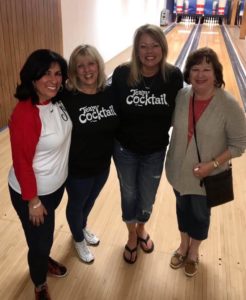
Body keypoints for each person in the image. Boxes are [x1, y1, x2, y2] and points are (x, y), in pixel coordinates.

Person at [165, 47, 246, 277]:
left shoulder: (228, 104)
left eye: (206, 69)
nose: (200, 74)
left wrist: (213, 164)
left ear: (216, 73)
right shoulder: (182, 96)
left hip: (206, 177)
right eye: (195, 69)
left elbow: (239, 144)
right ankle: (182, 245)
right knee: (182, 209)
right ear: (188, 73)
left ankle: (193, 252)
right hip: (178, 170)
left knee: (200, 215)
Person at [111, 24, 183, 264]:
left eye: (154, 45)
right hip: (125, 149)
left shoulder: (173, 77)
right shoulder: (122, 74)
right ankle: (132, 235)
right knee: (129, 193)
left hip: (155, 150)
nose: (149, 51)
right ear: (136, 49)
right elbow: (107, 106)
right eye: (143, 46)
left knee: (147, 197)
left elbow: (181, 111)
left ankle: (142, 227)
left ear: (162, 47)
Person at [8, 49, 72, 299]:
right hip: (33, 195)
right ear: (32, 77)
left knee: (41, 237)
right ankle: (39, 283)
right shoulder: (26, 113)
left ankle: (42, 258)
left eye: (58, 74)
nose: (54, 79)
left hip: (53, 188)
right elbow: (22, 163)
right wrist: (33, 201)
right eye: (46, 74)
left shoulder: (55, 100)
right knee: (40, 242)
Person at [61, 45, 119, 263]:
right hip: (77, 168)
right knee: (76, 204)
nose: (87, 70)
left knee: (90, 201)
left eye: (91, 63)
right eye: (80, 66)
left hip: (103, 165)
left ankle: (82, 227)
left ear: (99, 64)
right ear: (74, 71)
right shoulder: (68, 96)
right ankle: (77, 239)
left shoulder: (109, 92)